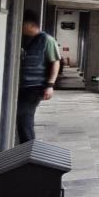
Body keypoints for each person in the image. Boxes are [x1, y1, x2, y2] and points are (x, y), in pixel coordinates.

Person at [17, 9, 61, 143]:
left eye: (22, 23)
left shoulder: (47, 40)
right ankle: (27, 147)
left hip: (35, 86)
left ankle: (29, 147)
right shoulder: (21, 38)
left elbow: (55, 62)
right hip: (21, 85)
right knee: (23, 117)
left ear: (31, 24)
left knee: (24, 116)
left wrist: (50, 85)